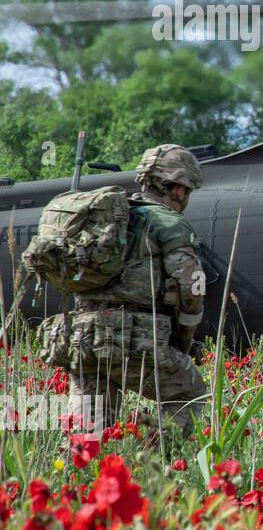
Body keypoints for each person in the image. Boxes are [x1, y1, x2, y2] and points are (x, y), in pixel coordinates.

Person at [57, 144, 209, 437]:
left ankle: (76, 477)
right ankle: (156, 463)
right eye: (186, 190)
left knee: (87, 433)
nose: (185, 198)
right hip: (133, 342)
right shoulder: (169, 223)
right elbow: (192, 290)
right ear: (176, 187)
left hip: (82, 341)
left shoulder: (102, 219)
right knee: (191, 394)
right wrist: (183, 342)